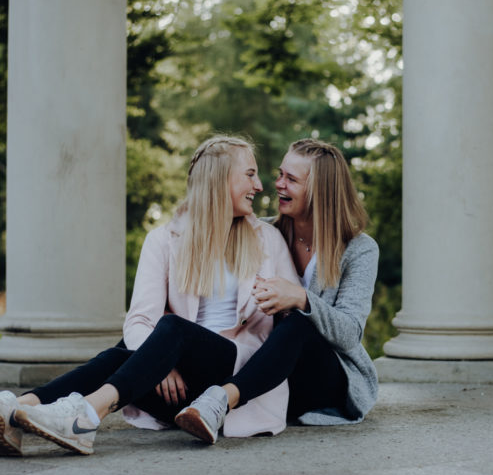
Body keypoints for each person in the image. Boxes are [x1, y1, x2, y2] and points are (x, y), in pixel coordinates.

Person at [0, 135, 299, 457]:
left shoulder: (268, 240)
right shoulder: (163, 240)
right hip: (180, 392)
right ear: (219, 178)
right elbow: (140, 318)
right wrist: (160, 363)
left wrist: (162, 353)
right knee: (121, 354)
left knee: (170, 329)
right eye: (250, 174)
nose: (259, 185)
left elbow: (290, 325)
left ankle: (86, 416)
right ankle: (17, 412)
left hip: (235, 378)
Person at [173, 137, 379, 441]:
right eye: (280, 174)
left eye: (291, 179)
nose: (278, 184)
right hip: (267, 378)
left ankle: (221, 400)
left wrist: (300, 298)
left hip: (326, 380)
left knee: (299, 323)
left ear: (320, 192)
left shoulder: (359, 250)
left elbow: (349, 333)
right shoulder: (263, 233)